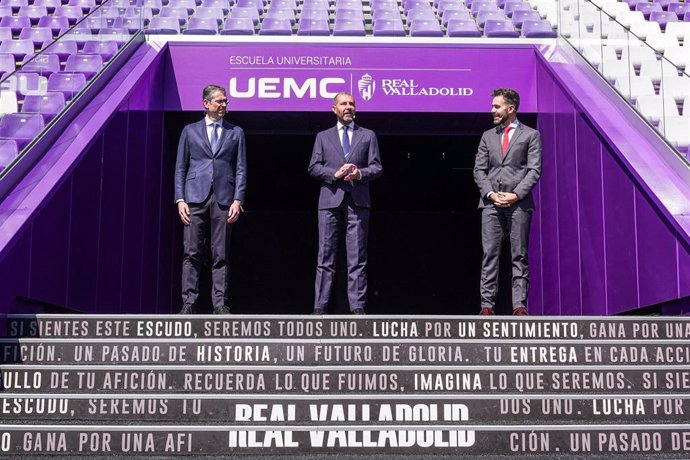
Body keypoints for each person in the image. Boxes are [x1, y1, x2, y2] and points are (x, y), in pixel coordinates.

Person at [308, 92, 383, 315]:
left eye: (351, 104)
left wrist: (359, 173)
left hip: (358, 202)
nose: (348, 107)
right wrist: (335, 174)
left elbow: (377, 167)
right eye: (344, 104)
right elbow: (313, 167)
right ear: (334, 109)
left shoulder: (368, 135)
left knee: (357, 258)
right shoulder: (323, 136)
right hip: (330, 201)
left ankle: (357, 309)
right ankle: (319, 308)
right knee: (325, 257)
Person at [174, 84, 247, 314]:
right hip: (194, 198)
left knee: (221, 253)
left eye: (225, 101)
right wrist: (180, 199)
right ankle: (189, 303)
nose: (224, 105)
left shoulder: (236, 132)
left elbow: (241, 168)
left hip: (224, 199)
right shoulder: (189, 130)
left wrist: (238, 199)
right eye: (220, 101)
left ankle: (220, 304)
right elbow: (180, 168)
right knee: (192, 252)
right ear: (206, 104)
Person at [473, 88, 542, 316]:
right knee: (490, 254)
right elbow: (479, 171)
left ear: (510, 109)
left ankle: (519, 306)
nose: (492, 110)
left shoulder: (531, 135)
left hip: (519, 204)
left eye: (496, 106)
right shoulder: (487, 136)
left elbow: (534, 170)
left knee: (518, 255)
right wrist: (491, 194)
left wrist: (516, 194)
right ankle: (486, 306)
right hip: (490, 205)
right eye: (493, 106)